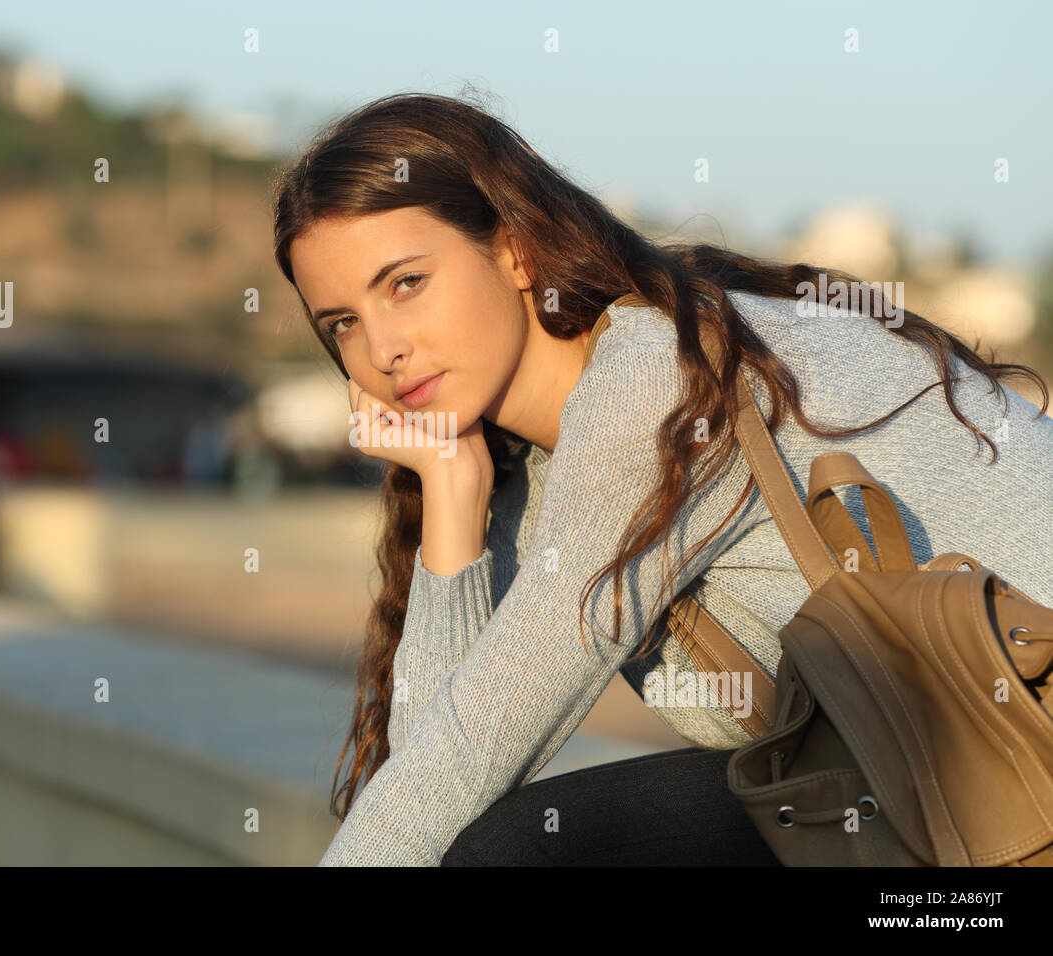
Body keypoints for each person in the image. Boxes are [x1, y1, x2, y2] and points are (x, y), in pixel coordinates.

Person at [272, 92, 1053, 866]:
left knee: (521, 854)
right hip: (912, 790)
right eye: (341, 322)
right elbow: (432, 768)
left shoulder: (656, 387)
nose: (381, 349)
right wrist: (450, 486)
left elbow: (462, 762)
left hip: (1016, 776)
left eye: (406, 284)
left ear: (514, 251)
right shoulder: (533, 469)